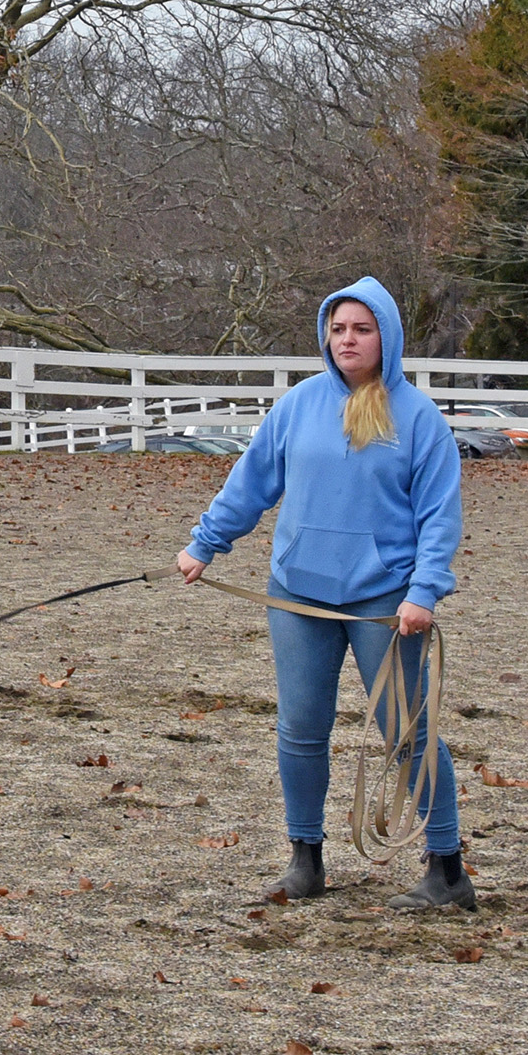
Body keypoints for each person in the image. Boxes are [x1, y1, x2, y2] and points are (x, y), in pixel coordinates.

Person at [173, 277, 473, 911]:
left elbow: (440, 514)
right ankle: (305, 859)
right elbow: (251, 481)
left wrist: (424, 591)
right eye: (338, 329)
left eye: (361, 329)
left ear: (385, 338)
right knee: (300, 728)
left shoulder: (418, 418)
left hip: (384, 603)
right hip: (299, 596)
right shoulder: (298, 406)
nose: (347, 340)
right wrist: (206, 544)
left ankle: (447, 869)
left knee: (407, 733)